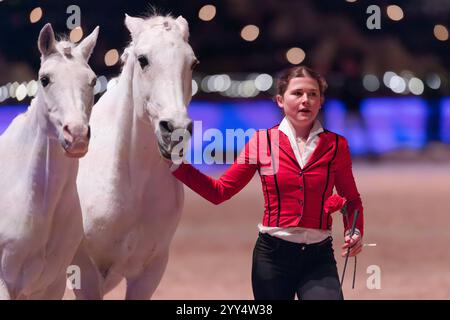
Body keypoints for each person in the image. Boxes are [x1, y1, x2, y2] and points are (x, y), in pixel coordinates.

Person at [165, 66, 364, 300]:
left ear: (321, 101)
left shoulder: (336, 145)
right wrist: (176, 163)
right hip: (272, 259)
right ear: (280, 100)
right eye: (297, 93)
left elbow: (351, 200)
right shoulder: (261, 142)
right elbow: (220, 191)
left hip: (319, 258)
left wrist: (355, 231)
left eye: (312, 94)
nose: (305, 100)